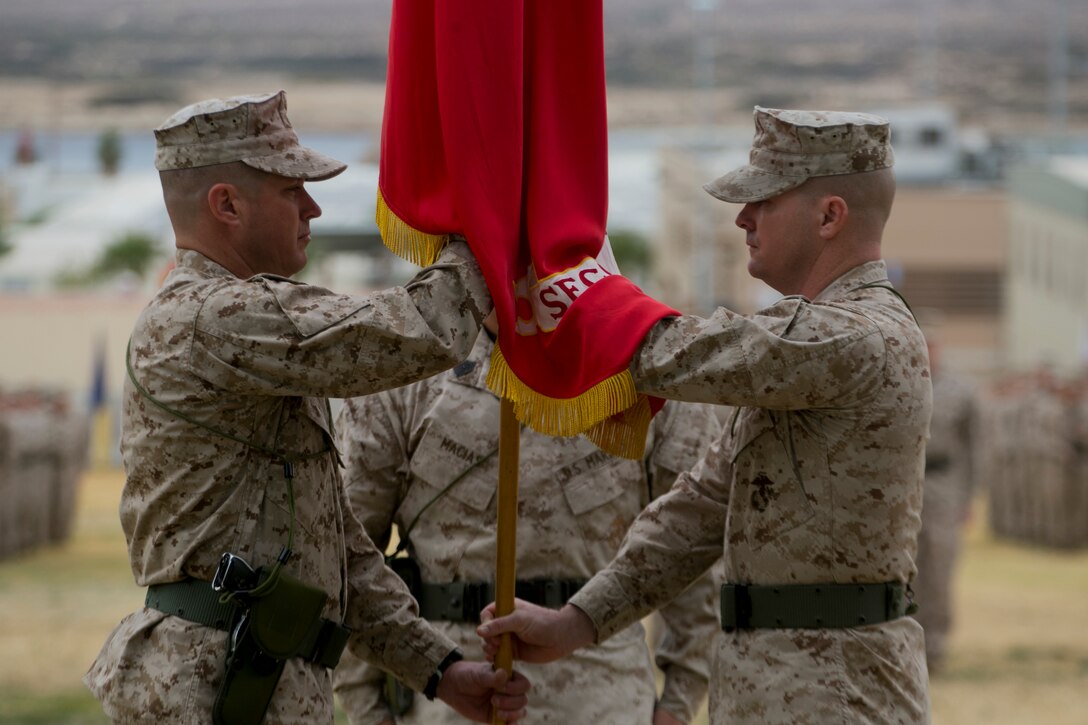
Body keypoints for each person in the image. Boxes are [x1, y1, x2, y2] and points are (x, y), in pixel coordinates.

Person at [83, 91, 529, 724]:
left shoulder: (251, 336)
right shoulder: (212, 316)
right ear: (227, 205)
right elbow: (414, 331)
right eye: (293, 190)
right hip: (211, 689)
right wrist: (491, 223)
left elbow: (335, 546)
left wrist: (441, 669)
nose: (313, 208)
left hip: (258, 681)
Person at [479, 106, 933, 724]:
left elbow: (676, 354)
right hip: (774, 684)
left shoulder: (852, 336)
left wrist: (565, 283)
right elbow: (699, 508)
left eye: (765, 199)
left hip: (837, 691)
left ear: (830, 216)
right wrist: (578, 622)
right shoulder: (803, 353)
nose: (743, 217)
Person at [332, 313, 723, 724]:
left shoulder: (642, 363)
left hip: (603, 699)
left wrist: (678, 707)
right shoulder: (407, 369)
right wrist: (369, 713)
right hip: (447, 695)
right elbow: (349, 561)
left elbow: (691, 551)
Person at [912, 313, 978, 674]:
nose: (929, 351)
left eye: (933, 345)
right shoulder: (902, 382)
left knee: (940, 566)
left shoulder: (961, 389)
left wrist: (968, 499)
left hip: (945, 485)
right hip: (906, 485)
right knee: (907, 567)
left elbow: (973, 447)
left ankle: (936, 645)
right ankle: (910, 639)